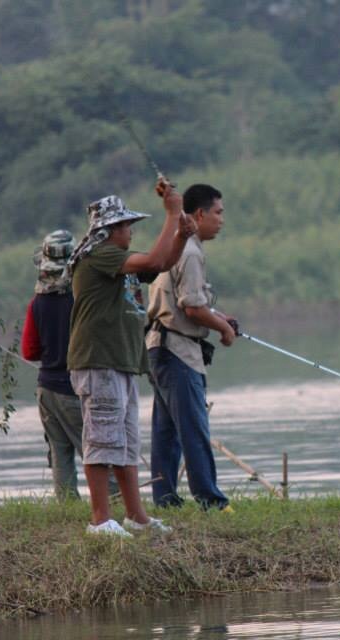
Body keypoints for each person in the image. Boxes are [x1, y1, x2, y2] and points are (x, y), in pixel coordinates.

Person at [67, 181, 193, 536]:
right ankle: (99, 520)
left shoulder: (118, 260)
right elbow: (154, 258)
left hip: (119, 361)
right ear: (108, 231)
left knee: (123, 443)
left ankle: (136, 517)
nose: (130, 231)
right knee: (101, 439)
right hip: (97, 359)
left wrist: (180, 234)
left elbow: (163, 261)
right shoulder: (101, 256)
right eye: (125, 226)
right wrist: (171, 213)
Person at [146, 183, 238, 511]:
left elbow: (191, 303)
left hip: (159, 347)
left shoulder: (178, 246)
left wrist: (218, 316)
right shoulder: (191, 251)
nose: (221, 220)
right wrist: (224, 329)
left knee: (166, 430)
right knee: (193, 427)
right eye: (218, 212)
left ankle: (165, 499)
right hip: (177, 351)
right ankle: (211, 501)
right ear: (199, 214)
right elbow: (192, 308)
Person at [21, 229, 118, 501]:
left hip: (47, 392)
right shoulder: (84, 299)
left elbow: (29, 351)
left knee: (60, 453)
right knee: (95, 449)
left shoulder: (36, 303)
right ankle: (117, 501)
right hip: (76, 389)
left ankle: (67, 507)